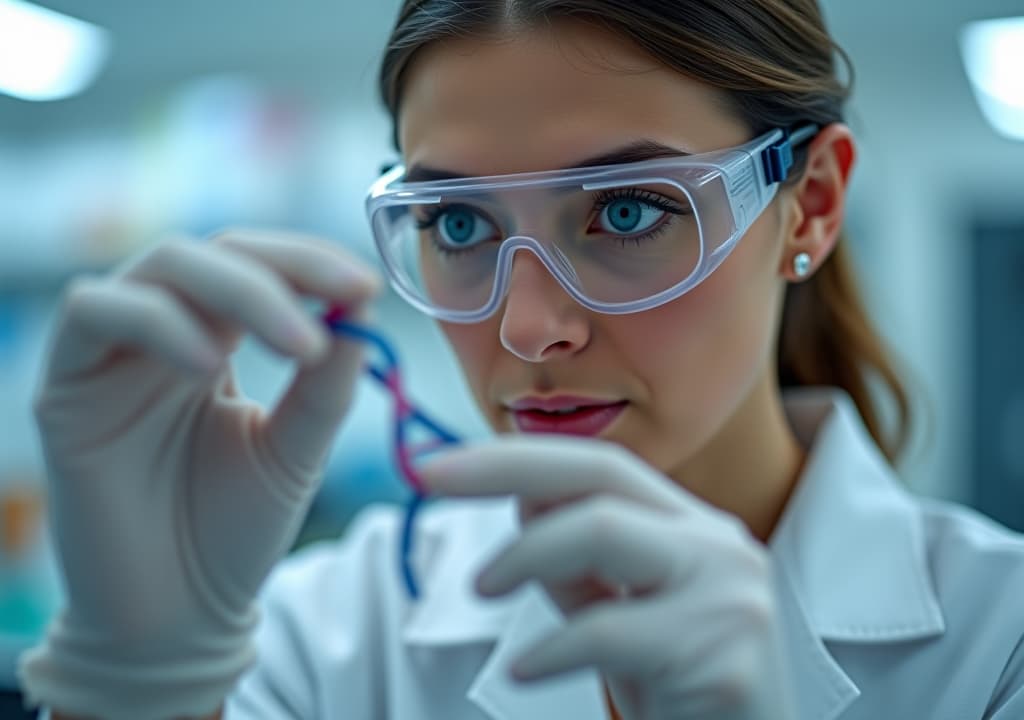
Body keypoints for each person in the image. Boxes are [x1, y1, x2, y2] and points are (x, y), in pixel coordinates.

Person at [17, 1, 1024, 718]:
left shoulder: (998, 644)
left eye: (627, 212)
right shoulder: (334, 634)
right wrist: (142, 682)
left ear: (807, 204)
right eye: (457, 223)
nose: (528, 329)